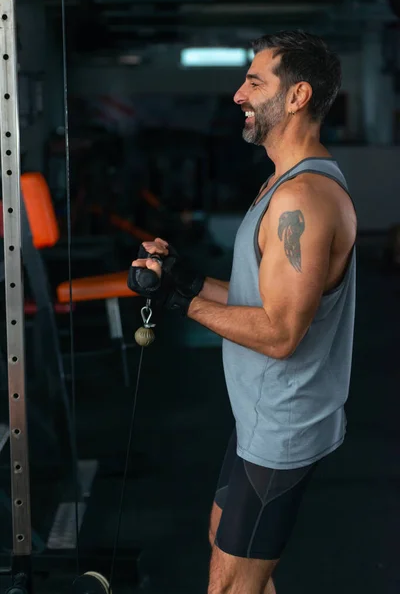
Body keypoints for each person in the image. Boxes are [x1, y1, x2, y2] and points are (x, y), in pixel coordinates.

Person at [128, 30, 357, 594]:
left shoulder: (302, 198)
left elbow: (280, 332)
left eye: (254, 82)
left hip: (284, 425)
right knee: (223, 546)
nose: (237, 95)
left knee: (230, 585)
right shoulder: (281, 183)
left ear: (298, 96)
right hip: (259, 418)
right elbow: (263, 297)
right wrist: (186, 278)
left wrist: (180, 305)